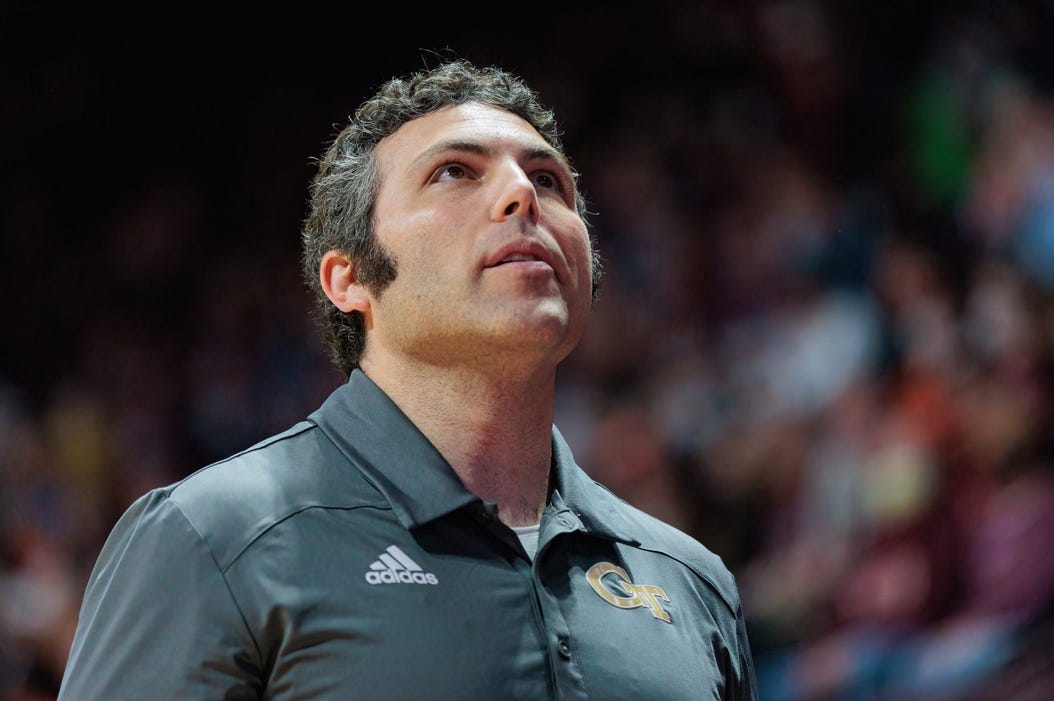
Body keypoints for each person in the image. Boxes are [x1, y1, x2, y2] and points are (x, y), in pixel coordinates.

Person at [57, 57, 759, 700]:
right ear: (350, 278)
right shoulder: (212, 537)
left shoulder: (690, 580)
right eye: (455, 171)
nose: (522, 194)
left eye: (549, 180)